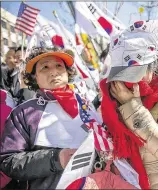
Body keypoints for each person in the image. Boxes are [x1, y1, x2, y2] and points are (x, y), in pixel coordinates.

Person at [99, 20, 158, 189]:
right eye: (122, 72)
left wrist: (132, 105)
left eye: (134, 72)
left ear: (152, 67)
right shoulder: (110, 91)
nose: (127, 80)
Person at [0, 47, 105, 189]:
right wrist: (56, 159)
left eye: (58, 66)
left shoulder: (86, 105)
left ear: (68, 72)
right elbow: (9, 161)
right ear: (34, 77)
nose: (54, 71)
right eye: (45, 67)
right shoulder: (24, 113)